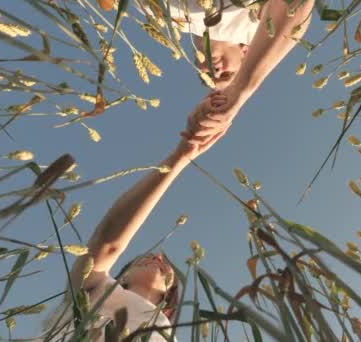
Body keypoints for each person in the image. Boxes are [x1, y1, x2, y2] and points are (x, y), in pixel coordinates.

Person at [39, 93, 229, 341]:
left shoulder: (163, 331)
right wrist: (179, 158)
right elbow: (108, 242)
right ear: (121, 277)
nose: (158, 256)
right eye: (139, 260)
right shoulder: (94, 291)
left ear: (167, 303)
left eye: (167, 273)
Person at [137, 0, 315, 143]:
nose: (215, 72)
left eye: (206, 76)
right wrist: (241, 88)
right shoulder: (252, 25)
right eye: (226, 74)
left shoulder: (160, 15)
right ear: (246, 53)